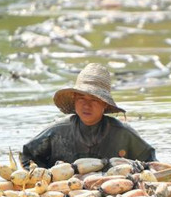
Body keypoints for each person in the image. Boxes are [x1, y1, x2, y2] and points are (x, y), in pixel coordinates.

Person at [20, 63, 156, 168]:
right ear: (74, 100)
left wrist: (138, 171)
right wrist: (48, 176)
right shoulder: (58, 131)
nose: (86, 105)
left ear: (104, 104)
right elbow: (27, 156)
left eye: (94, 100)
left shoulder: (123, 134)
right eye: (81, 98)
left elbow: (151, 163)